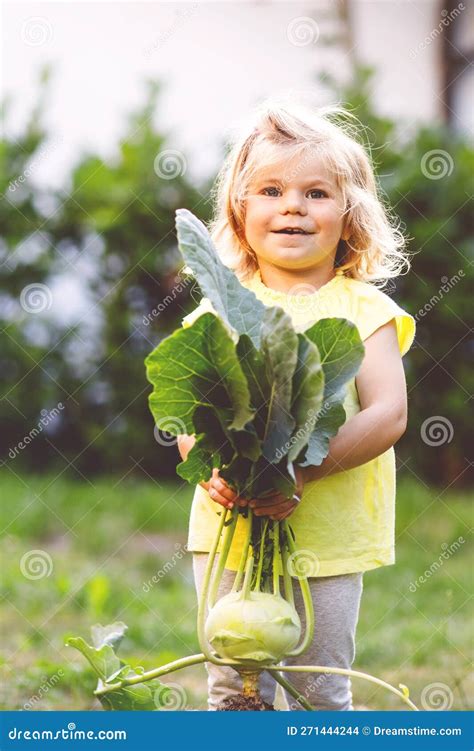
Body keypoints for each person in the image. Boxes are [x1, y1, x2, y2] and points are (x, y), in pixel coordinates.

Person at [177, 97, 416, 711]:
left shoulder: (366, 309)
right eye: (271, 190)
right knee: (233, 686)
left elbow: (388, 413)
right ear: (240, 208)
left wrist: (301, 473)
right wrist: (210, 471)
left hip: (329, 539)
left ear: (349, 215)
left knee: (319, 689)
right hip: (231, 534)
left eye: (316, 193)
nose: (292, 206)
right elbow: (185, 411)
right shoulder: (220, 306)